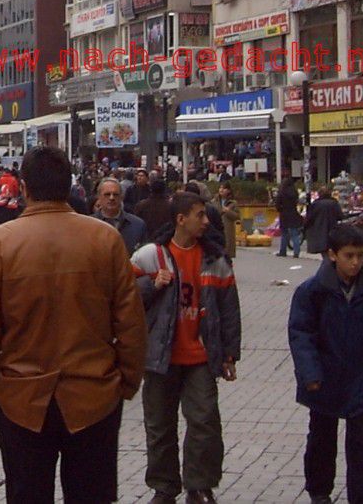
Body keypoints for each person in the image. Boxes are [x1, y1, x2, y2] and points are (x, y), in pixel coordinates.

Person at [0, 146, 147, 503]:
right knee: (92, 494)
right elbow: (130, 321)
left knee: (27, 493)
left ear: (24, 187)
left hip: (21, 396)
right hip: (94, 393)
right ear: (70, 186)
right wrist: (126, 380)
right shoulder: (105, 240)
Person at [131, 191, 242, 504]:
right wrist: (151, 285)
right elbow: (124, 296)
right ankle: (164, 486)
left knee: (205, 421)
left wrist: (230, 353)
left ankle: (200, 485)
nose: (206, 221)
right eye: (200, 215)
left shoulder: (215, 259)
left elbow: (229, 308)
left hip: (201, 357)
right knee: (159, 426)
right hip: (159, 356)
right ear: (181, 219)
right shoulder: (150, 256)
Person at [288, 224, 363, 504]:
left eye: (360, 255)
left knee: (361, 443)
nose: (355, 262)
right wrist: (310, 373)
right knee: (322, 439)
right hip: (324, 377)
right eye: (349, 255)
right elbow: (301, 335)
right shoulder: (312, 291)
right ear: (332, 255)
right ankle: (319, 492)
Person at [94, 178, 147, 253]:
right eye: (107, 194)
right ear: (98, 197)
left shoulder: (138, 225)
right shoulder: (87, 225)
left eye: (115, 194)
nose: (111, 198)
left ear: (121, 197)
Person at [304, 184, 344, 258]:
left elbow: (310, 218)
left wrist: (305, 226)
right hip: (332, 229)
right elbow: (340, 216)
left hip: (319, 230)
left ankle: (328, 265)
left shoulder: (316, 204)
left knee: (324, 253)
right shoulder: (334, 203)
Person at [136, 179, 174, 243]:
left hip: (146, 240)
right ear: (164, 190)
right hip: (165, 240)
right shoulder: (171, 206)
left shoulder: (141, 205)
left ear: (151, 190)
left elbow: (137, 224)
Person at [275, 177, 304, 258]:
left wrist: (280, 209)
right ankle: (296, 252)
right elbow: (297, 202)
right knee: (294, 234)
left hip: (284, 214)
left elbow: (277, 204)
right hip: (293, 213)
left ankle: (283, 251)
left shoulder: (281, 192)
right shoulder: (294, 192)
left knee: (284, 234)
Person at [216, 183, 240, 260]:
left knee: (227, 255)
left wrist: (228, 211)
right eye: (220, 188)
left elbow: (237, 216)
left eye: (224, 188)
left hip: (228, 231)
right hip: (217, 229)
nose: (221, 190)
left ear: (229, 190)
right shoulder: (214, 201)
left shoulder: (233, 203)